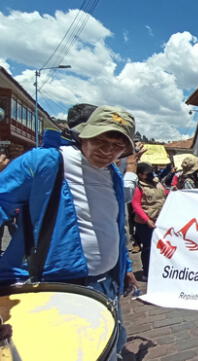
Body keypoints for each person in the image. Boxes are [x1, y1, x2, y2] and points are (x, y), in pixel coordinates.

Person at [0, 105, 139, 357]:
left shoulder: (113, 175)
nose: (107, 151)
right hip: (50, 289)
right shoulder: (44, 162)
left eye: (116, 146)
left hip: (106, 285)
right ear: (84, 134)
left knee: (109, 347)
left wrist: (125, 267)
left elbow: (114, 224)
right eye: (100, 140)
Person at [132, 162, 167, 280]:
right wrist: (147, 220)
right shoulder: (139, 187)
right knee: (148, 248)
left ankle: (156, 269)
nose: (151, 174)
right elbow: (136, 205)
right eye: (148, 173)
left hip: (159, 220)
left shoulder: (155, 183)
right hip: (145, 223)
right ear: (141, 175)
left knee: (159, 247)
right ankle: (146, 272)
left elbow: (164, 193)